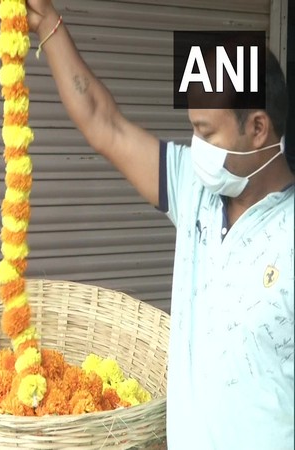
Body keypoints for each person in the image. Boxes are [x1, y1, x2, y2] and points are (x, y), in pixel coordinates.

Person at [21, 1, 294, 449]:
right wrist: (48, 23)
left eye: (206, 133)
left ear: (259, 128)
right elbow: (103, 123)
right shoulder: (195, 190)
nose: (194, 145)